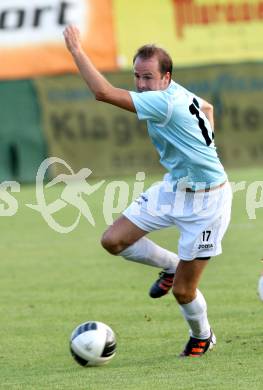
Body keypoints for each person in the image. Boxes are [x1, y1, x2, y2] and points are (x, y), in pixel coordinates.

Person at [63, 25, 232, 357]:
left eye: (148, 78)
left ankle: (203, 335)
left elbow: (103, 93)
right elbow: (208, 108)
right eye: (137, 77)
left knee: (184, 292)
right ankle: (171, 264)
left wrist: (77, 51)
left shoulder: (164, 103)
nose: (141, 85)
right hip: (174, 189)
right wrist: (205, 146)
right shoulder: (177, 93)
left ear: (166, 78)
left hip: (208, 204)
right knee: (113, 240)